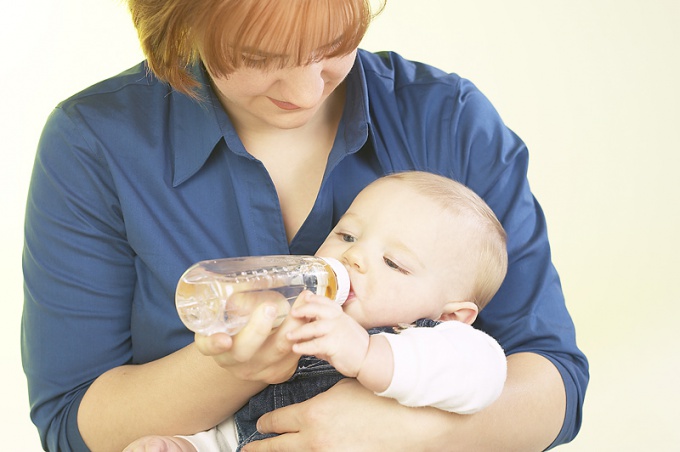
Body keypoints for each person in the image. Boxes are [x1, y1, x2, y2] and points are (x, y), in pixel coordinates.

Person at [21, 0, 589, 451]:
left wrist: (412, 435)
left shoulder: (447, 120)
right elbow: (73, 423)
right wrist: (230, 370)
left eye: (333, 47)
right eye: (259, 56)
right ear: (179, 23)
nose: (307, 91)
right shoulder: (95, 141)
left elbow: (552, 382)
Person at [124, 171, 509, 452]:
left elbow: (484, 376)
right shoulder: (296, 328)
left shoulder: (443, 343)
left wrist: (366, 353)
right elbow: (246, 429)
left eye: (393, 262)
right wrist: (188, 446)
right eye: (347, 236)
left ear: (450, 316)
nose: (353, 256)